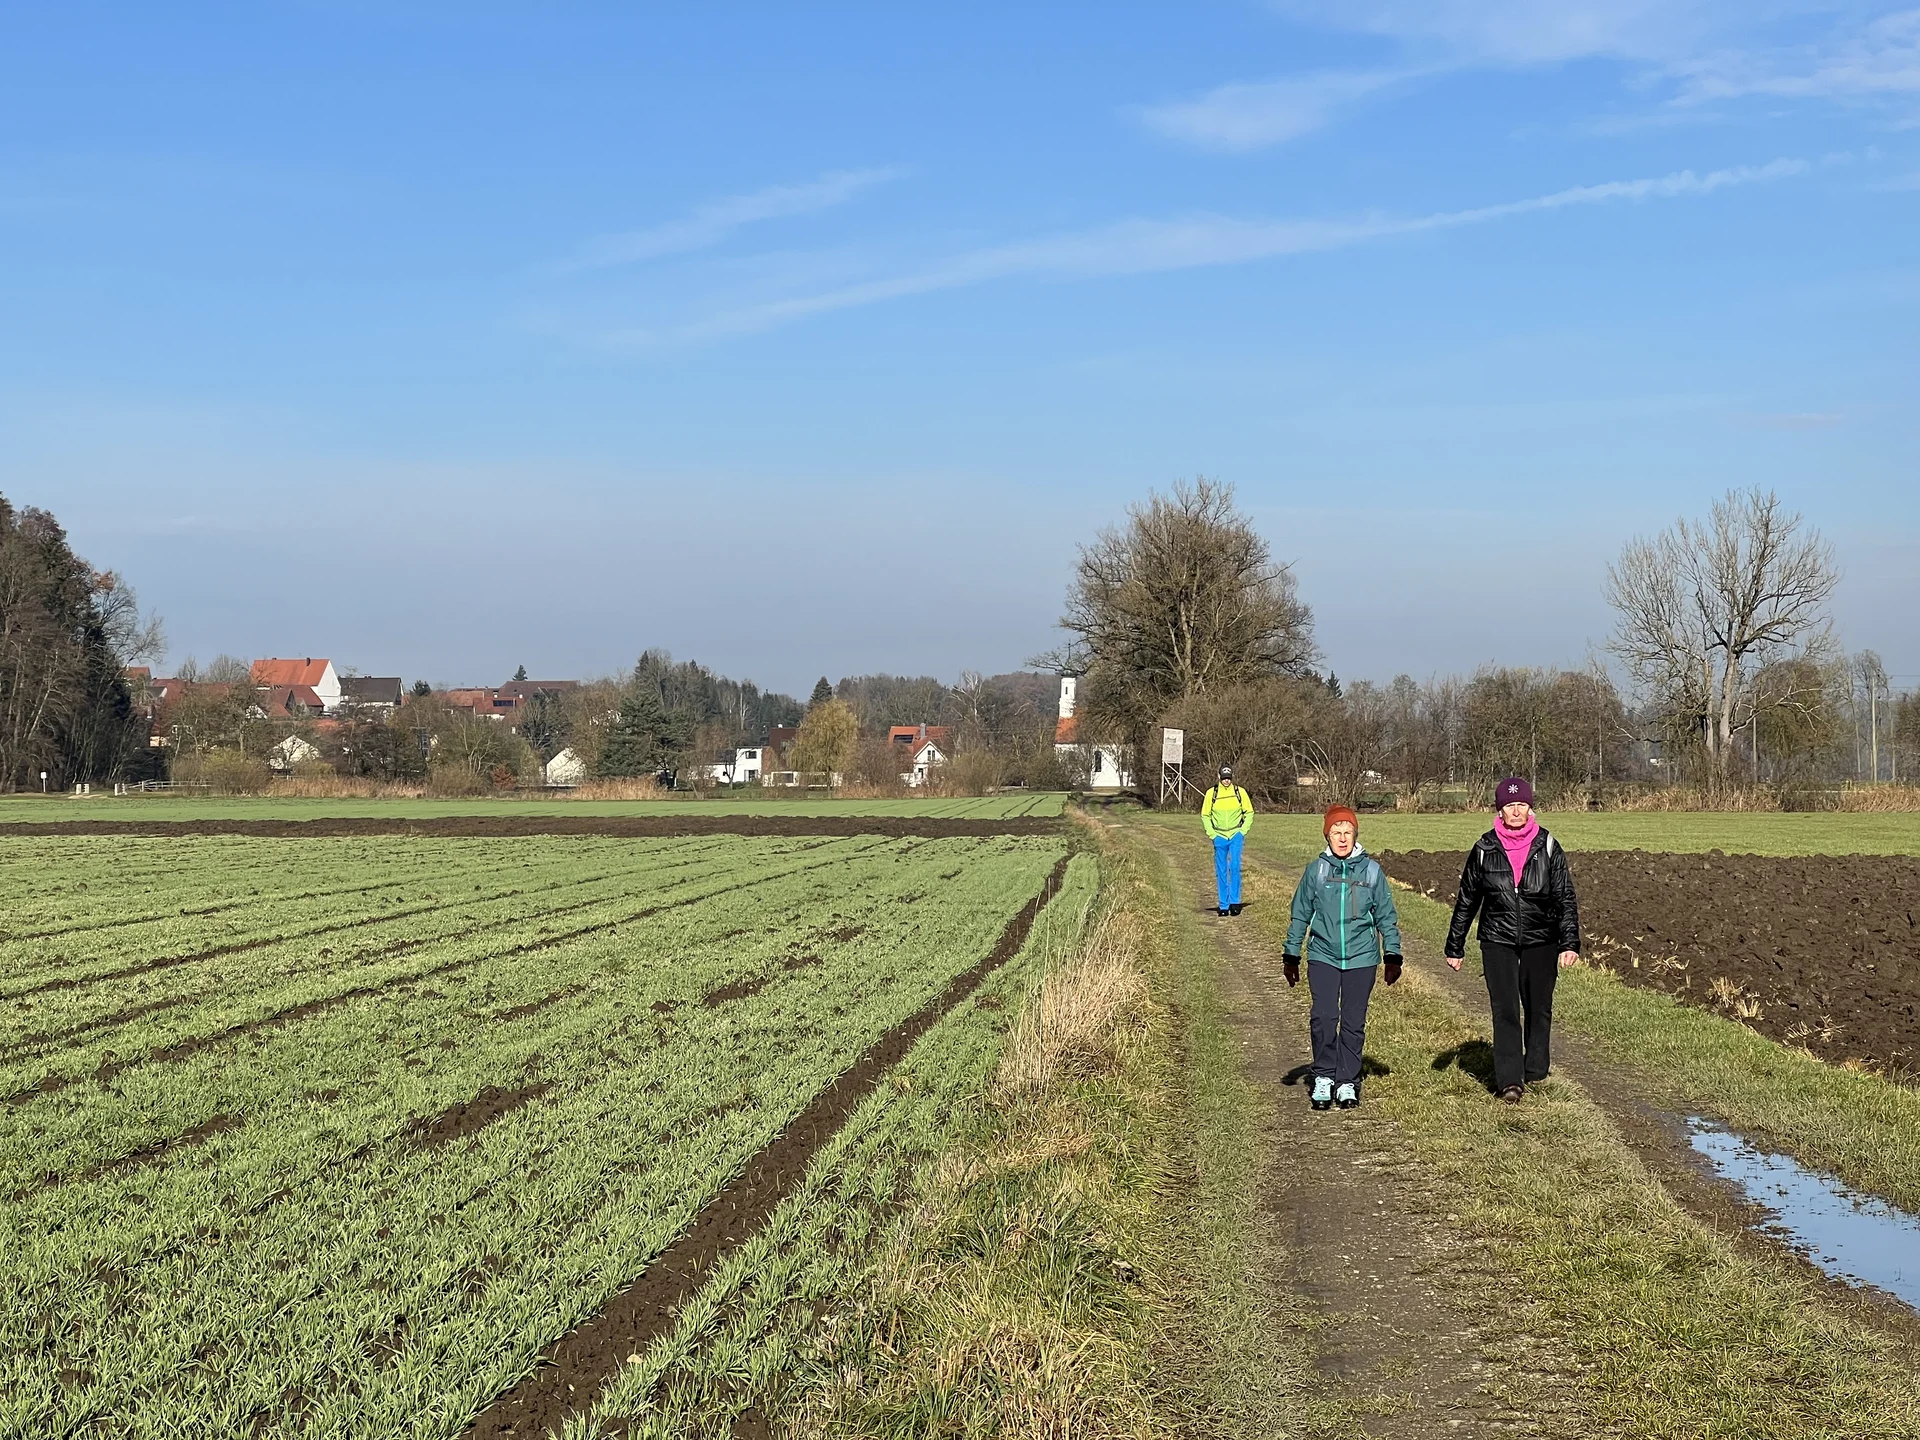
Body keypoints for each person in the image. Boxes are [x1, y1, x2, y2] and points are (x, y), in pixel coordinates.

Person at [1443, 777, 1582, 1104]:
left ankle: (1535, 1069)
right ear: (1500, 810)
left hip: (1541, 936)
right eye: (1509, 805)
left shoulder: (1548, 846)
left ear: (1530, 808)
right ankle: (1509, 1080)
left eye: (1521, 804)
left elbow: (1564, 896)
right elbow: (1467, 900)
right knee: (1504, 1008)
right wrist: (1455, 945)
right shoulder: (1484, 849)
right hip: (1497, 937)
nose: (1516, 811)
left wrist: (1569, 942)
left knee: (1538, 1006)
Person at [1282, 805, 1402, 1111]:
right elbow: (1300, 914)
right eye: (1337, 832)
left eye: (1348, 832)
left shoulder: (1372, 871)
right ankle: (1324, 1075)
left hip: (1362, 958)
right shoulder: (1317, 871)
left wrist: (1392, 954)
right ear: (1327, 835)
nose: (1343, 838)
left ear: (1356, 835)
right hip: (1323, 954)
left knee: (1353, 1020)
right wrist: (1291, 955)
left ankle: (1347, 1079)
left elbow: (1386, 916)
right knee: (1324, 1016)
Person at [1201, 764, 1253, 917]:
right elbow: (1205, 815)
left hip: (1236, 834)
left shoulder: (1239, 792)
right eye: (1224, 778)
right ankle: (1224, 905)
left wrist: (1242, 831)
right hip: (1219, 836)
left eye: (1228, 778)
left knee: (1235, 867)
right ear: (1219, 777)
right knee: (1221, 870)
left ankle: (1235, 903)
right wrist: (1212, 834)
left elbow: (1249, 812)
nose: (1226, 781)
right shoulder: (1211, 793)